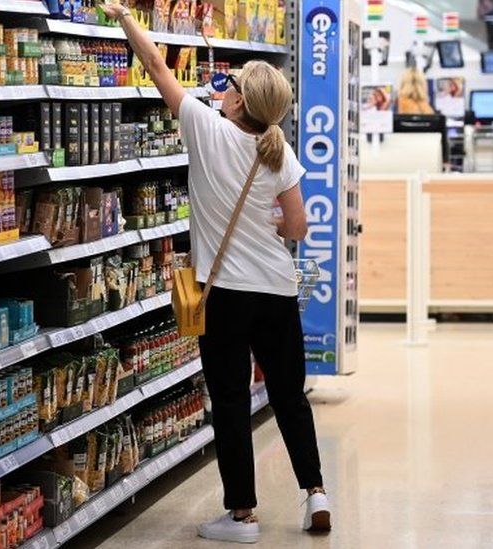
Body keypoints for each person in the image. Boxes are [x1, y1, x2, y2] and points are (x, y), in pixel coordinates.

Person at [99, 2, 329, 544]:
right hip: (275, 289)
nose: (220, 88)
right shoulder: (280, 152)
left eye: (228, 83)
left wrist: (123, 16)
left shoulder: (204, 128)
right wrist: (269, 219)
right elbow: (297, 227)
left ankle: (243, 515)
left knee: (229, 399)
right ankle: (316, 492)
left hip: (225, 293)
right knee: (289, 396)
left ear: (240, 100)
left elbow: (156, 66)